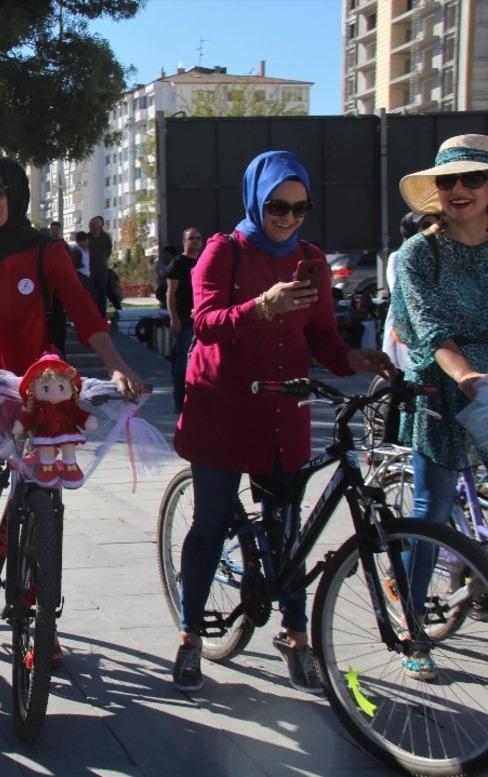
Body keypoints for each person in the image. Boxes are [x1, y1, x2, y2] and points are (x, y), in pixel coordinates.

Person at [171, 150, 393, 693]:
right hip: (224, 406)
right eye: (278, 206)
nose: (289, 218)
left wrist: (352, 360)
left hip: (284, 409)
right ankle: (191, 636)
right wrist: (261, 307)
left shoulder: (311, 260)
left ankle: (295, 635)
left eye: (300, 208)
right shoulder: (224, 251)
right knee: (210, 521)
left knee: (287, 529)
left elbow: (321, 336)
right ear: (256, 199)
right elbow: (204, 324)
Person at [0, 156, 143, 558]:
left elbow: (83, 308)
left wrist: (116, 364)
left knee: (44, 450)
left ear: (18, 193)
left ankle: (25, 526)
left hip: (39, 369)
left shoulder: (47, 251)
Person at [390, 134, 488, 680]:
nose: (458, 190)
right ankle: (411, 626)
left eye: (472, 178)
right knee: (431, 511)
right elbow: (429, 331)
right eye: (447, 180)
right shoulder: (419, 253)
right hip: (441, 387)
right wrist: (468, 377)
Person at [382, 211, 439, 371]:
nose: (432, 229)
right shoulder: (399, 256)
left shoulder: (443, 255)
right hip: (409, 320)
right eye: (425, 225)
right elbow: (401, 289)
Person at [166, 227, 204, 412]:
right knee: (182, 362)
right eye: (191, 238)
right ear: (184, 242)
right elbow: (170, 294)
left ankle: (198, 401)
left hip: (202, 319)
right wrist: (174, 318)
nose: (195, 241)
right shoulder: (178, 264)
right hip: (183, 319)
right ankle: (180, 404)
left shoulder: (204, 262)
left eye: (198, 238)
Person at [87, 216, 113, 319]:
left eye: (93, 225)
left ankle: (102, 317)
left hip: (102, 269)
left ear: (99, 226)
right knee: (91, 293)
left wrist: (102, 259)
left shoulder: (105, 237)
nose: (91, 227)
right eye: (90, 225)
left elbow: (109, 250)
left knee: (102, 293)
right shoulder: (87, 237)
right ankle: (91, 316)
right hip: (89, 270)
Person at [155, 244, 178, 309]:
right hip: (163, 292)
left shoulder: (178, 264)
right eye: (164, 254)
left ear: (173, 256)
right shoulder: (160, 265)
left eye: (167, 254)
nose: (164, 256)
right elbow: (163, 275)